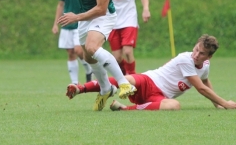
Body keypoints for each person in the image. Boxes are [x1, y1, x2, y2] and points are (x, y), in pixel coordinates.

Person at [57, 0, 136, 111]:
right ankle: (106, 88)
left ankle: (124, 84)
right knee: (88, 57)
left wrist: (75, 17)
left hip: (103, 15)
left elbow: (101, 9)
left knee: (92, 47)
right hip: (86, 14)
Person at [66, 34, 236, 111]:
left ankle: (125, 109)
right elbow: (201, 88)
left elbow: (206, 82)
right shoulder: (186, 59)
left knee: (174, 106)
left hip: (158, 97)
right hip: (149, 80)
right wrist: (226, 103)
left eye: (201, 54)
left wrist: (217, 104)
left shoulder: (205, 65)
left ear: (209, 57)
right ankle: (80, 88)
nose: (196, 55)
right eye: (196, 49)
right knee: (125, 80)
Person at [52, 0, 93, 84]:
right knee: (70, 53)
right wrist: (55, 24)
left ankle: (88, 69)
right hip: (66, 24)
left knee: (79, 50)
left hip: (80, 23)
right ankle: (74, 83)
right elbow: (60, 4)